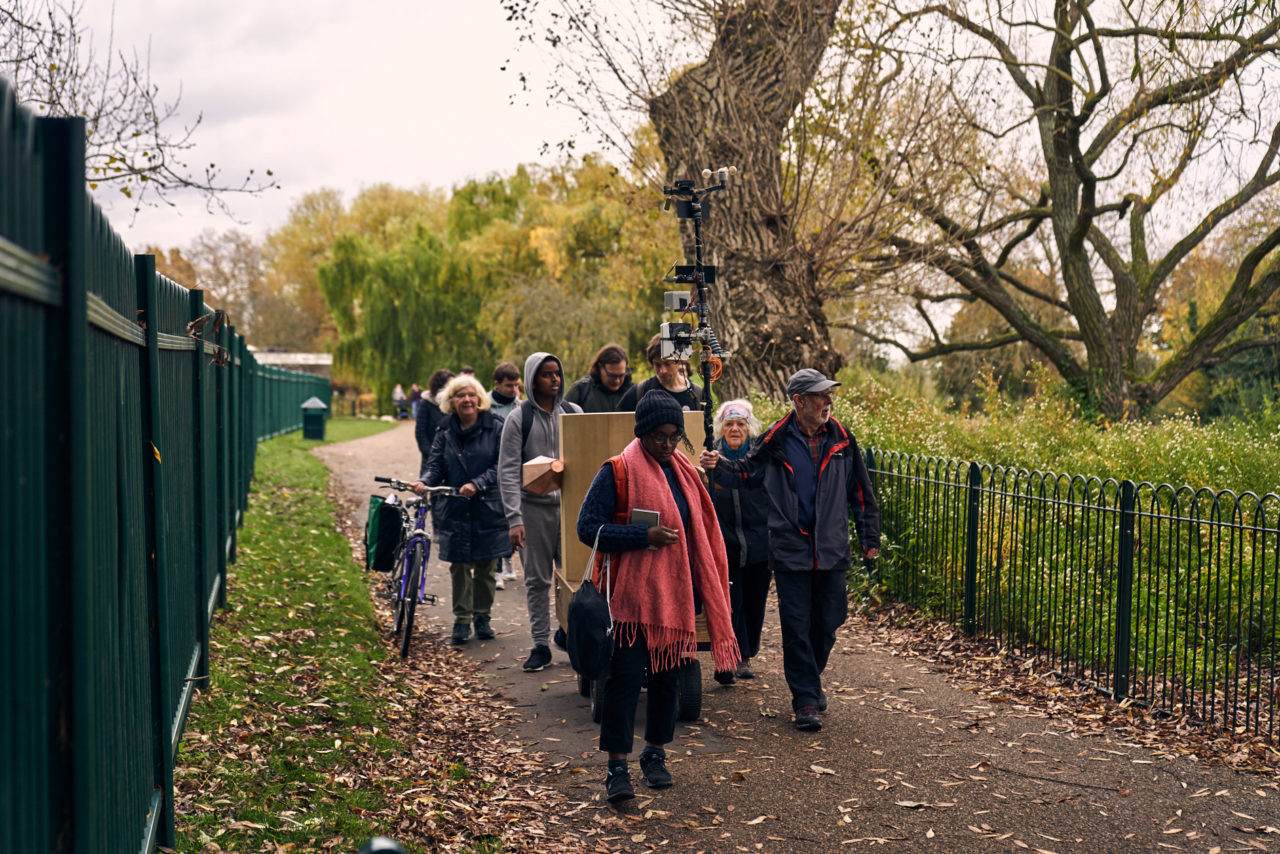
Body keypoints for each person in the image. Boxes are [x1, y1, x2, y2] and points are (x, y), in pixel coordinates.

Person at [577, 391, 737, 803]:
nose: (667, 445)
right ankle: (616, 767)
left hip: (676, 599)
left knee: (667, 682)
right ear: (642, 432)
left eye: (674, 436)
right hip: (629, 602)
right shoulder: (617, 471)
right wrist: (641, 536)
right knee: (625, 682)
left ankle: (655, 755)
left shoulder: (684, 472)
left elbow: (701, 533)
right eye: (659, 436)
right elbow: (587, 528)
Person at [700, 369, 880, 732]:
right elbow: (747, 474)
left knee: (829, 622)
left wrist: (869, 537)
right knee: (796, 628)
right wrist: (718, 468)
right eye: (820, 396)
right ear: (799, 401)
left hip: (830, 549)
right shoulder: (777, 438)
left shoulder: (843, 439)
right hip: (789, 548)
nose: (828, 401)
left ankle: (809, 678)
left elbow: (860, 491)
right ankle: (806, 699)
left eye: (829, 395)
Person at [498, 352, 583, 672]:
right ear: (533, 379)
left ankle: (570, 635)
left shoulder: (573, 412)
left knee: (574, 579)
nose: (555, 379)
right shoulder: (519, 418)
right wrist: (514, 519)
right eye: (547, 374)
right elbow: (506, 470)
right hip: (533, 511)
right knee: (537, 580)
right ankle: (539, 645)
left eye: (557, 373)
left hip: (571, 509)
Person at [415, 375, 512, 644]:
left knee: (485, 566)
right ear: (451, 401)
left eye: (471, 395)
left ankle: (482, 617)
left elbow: (502, 465)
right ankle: (461, 619)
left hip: (488, 506)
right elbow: (435, 465)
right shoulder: (443, 430)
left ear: (479, 399)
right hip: (455, 507)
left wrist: (477, 483)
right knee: (458, 566)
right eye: (460, 395)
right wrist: (425, 482)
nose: (466, 400)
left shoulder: (496, 426)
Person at [708, 399, 771, 683]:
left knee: (754, 601)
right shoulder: (711, 457)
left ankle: (745, 655)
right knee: (729, 601)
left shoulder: (760, 456)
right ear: (721, 429)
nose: (735, 429)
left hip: (760, 541)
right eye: (729, 424)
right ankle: (728, 657)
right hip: (726, 542)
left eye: (741, 424)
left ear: (749, 428)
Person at [488, 361, 522, 588]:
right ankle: (497, 568)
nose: (513, 390)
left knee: (512, 515)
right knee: (495, 518)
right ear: (497, 384)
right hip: (491, 466)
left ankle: (507, 559)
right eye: (509, 386)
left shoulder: (520, 406)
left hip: (513, 466)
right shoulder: (485, 405)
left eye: (516, 385)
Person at [617, 333, 708, 412]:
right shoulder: (640, 392)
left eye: (667, 364)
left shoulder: (697, 393)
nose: (662, 371)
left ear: (679, 361)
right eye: (657, 365)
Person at [564, 343, 633, 412]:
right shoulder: (580, 391)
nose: (617, 381)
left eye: (621, 375)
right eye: (612, 376)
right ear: (600, 367)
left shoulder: (635, 393)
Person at [415, 369, 454, 473]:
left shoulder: (454, 403)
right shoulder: (427, 403)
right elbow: (420, 431)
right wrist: (430, 453)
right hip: (431, 456)